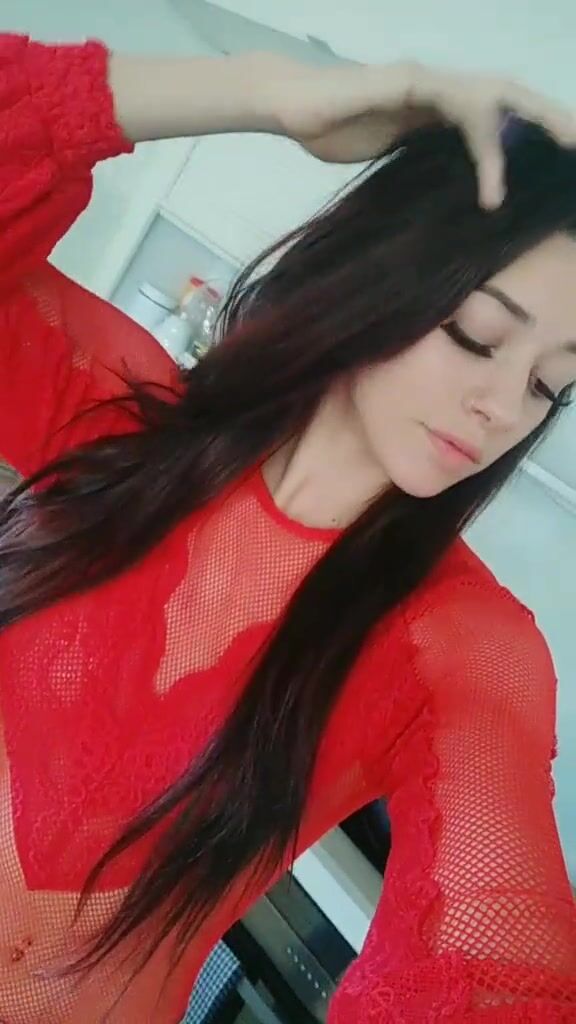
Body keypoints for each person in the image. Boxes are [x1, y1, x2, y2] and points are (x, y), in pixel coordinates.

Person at [0, 29, 575, 1024]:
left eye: (547, 386)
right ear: (378, 273)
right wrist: (270, 92)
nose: (500, 409)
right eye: (477, 335)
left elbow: (499, 962)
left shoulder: (459, 647)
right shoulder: (121, 416)